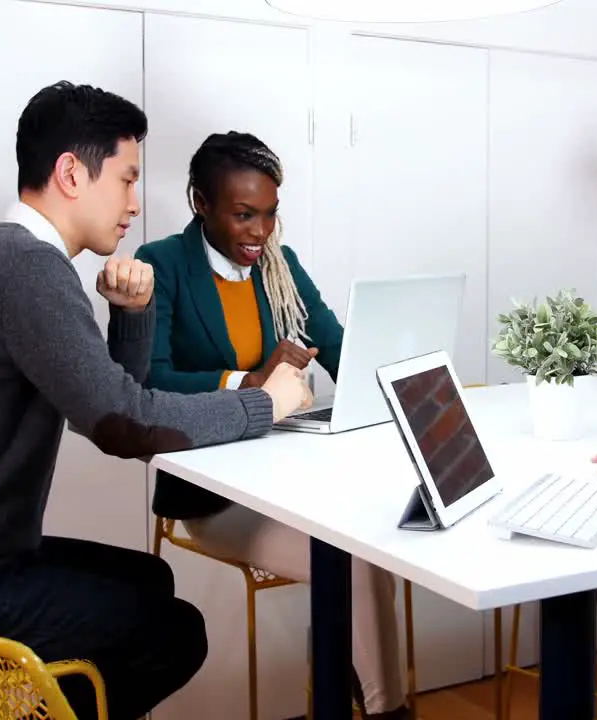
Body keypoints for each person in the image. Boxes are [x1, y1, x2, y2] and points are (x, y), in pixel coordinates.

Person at [0, 82, 311, 720]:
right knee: (173, 631)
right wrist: (266, 404)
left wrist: (132, 314)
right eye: (126, 180)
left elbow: (110, 403)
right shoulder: (27, 270)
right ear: (72, 173)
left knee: (149, 582)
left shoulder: (12, 258)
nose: (133, 204)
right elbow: (123, 424)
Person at [134, 131, 411, 719]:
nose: (260, 232)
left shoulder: (278, 266)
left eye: (269, 213)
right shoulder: (162, 265)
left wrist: (401, 385)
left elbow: (338, 345)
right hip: (214, 498)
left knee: (376, 543)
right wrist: (248, 382)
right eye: (243, 214)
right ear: (200, 203)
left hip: (292, 481)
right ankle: (387, 709)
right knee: (357, 559)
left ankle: (350, 687)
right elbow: (150, 383)